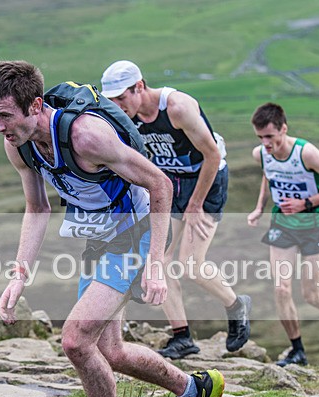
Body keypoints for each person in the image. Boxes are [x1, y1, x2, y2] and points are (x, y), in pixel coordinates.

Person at [0, 60, 224, 397]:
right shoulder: (20, 148)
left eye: (5, 116)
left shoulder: (86, 137)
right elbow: (37, 208)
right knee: (111, 351)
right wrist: (19, 274)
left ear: (36, 105)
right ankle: (195, 390)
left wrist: (156, 263)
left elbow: (160, 184)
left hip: (136, 234)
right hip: (99, 239)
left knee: (76, 340)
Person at [100, 60, 251, 360]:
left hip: (206, 178)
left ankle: (236, 305)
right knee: (160, 258)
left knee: (192, 263)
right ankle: (182, 336)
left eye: (121, 98)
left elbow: (212, 154)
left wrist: (195, 205)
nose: (117, 105)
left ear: (139, 86)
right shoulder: (126, 118)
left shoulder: (177, 108)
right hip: (171, 182)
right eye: (111, 100)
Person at [248, 102, 319, 367]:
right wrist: (260, 207)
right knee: (281, 288)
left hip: (313, 224)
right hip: (282, 225)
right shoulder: (260, 153)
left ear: (284, 128)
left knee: (311, 293)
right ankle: (297, 350)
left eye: (270, 136)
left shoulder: (306, 153)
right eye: (260, 137)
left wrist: (306, 203)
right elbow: (267, 176)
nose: (265, 143)